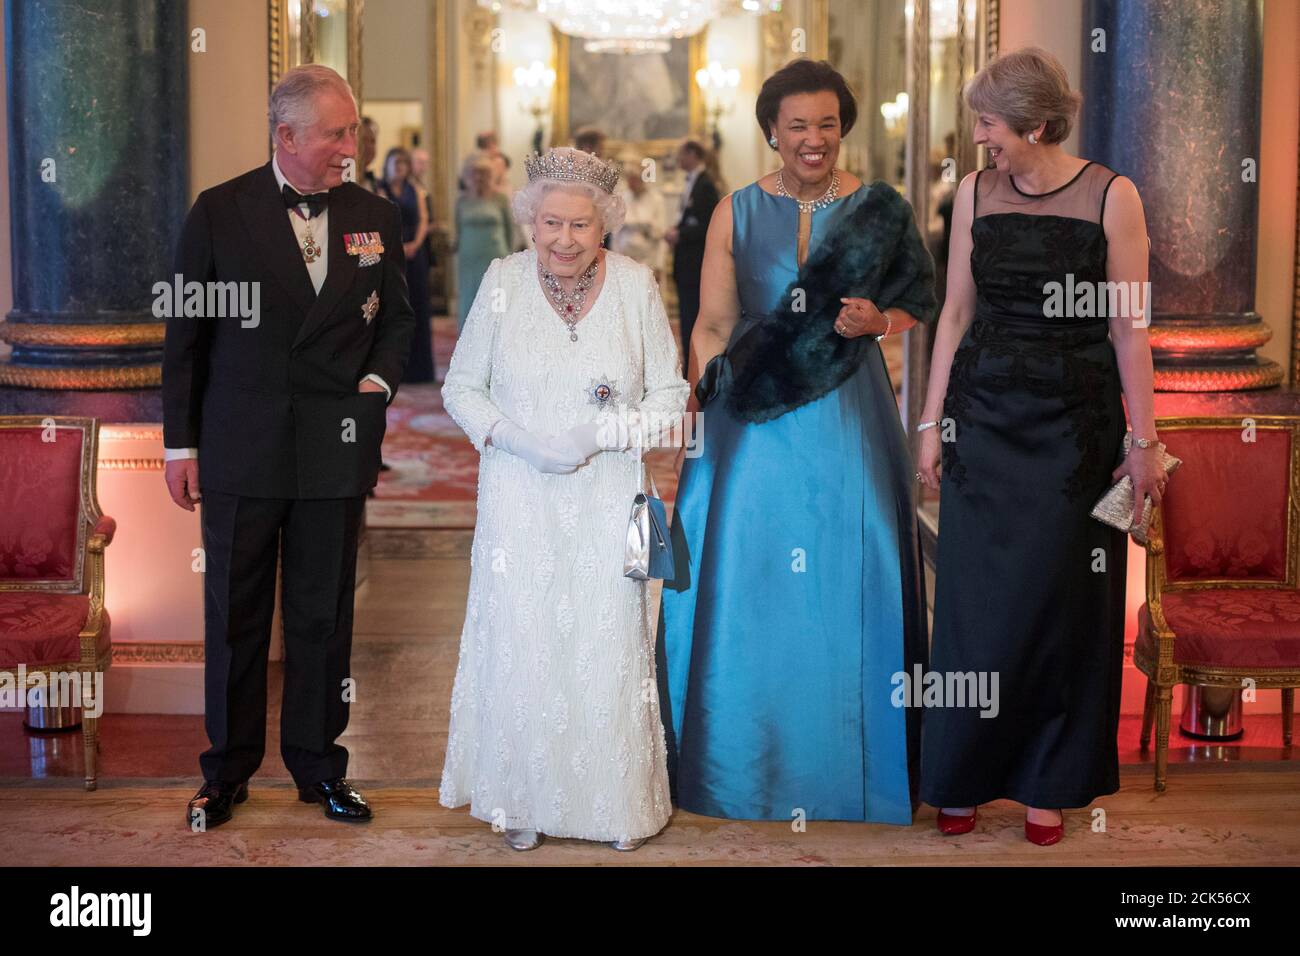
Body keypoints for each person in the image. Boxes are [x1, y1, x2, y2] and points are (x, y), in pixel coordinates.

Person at [657, 60, 937, 824]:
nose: (813, 140)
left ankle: (856, 768)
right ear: (771, 132)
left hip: (851, 409)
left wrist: (880, 323)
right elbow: (713, 324)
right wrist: (702, 403)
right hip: (750, 417)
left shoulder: (881, 209)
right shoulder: (735, 211)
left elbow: (919, 298)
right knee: (751, 578)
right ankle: (739, 762)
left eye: (826, 124)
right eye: (796, 126)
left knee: (853, 568)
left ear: (842, 127)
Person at [916, 47, 1158, 846]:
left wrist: (1144, 439)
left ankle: (1048, 784)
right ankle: (963, 773)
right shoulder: (974, 192)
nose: (981, 137)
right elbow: (953, 315)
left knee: (1061, 610)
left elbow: (1129, 327)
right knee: (975, 609)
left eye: (989, 123)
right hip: (983, 421)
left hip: (1074, 431)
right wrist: (930, 423)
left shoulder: (1113, 197)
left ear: (1037, 124)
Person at [162, 64, 414, 828]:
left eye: (354, 130)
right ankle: (225, 774)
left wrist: (374, 389)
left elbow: (398, 322)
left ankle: (319, 767)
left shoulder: (375, 213)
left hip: (335, 445)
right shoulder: (219, 211)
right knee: (236, 616)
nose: (351, 145)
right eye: (337, 133)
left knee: (322, 614)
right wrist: (180, 446)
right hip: (241, 446)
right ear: (288, 136)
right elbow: (186, 337)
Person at [438, 146, 689, 851]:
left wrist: (601, 432)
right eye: (550, 222)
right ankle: (521, 798)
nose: (564, 240)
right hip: (518, 497)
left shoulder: (637, 284)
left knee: (611, 643)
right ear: (529, 219)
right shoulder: (500, 280)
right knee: (523, 638)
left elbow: (672, 396)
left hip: (612, 499)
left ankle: (618, 807)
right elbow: (462, 387)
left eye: (581, 225)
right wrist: (520, 440)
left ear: (605, 221)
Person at [379, 147, 435, 383]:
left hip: (415, 254)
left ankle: (420, 369)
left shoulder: (416, 189)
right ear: (388, 164)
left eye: (403, 162)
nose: (400, 166)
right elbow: (381, 220)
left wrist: (415, 244)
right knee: (396, 308)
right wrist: (398, 246)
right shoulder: (381, 189)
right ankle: (396, 369)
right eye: (395, 162)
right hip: (392, 253)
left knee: (418, 307)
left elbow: (424, 219)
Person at [665, 139, 719, 359]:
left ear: (692, 154)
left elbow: (710, 225)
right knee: (687, 319)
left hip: (695, 266)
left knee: (693, 318)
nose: (678, 159)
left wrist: (681, 234)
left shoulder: (706, 185)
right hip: (686, 265)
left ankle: (695, 368)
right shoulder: (693, 182)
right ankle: (690, 364)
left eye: (681, 154)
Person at [454, 155, 513, 332]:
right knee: (469, 299)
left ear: (490, 176)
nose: (478, 178)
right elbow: (458, 230)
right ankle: (469, 342)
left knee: (496, 299)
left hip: (495, 256)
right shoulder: (461, 202)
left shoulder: (500, 199)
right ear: (467, 177)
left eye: (483, 174)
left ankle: (498, 338)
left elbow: (509, 230)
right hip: (469, 259)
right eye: (474, 174)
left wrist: (508, 258)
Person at [612, 160, 668, 279]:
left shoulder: (656, 200)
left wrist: (659, 265)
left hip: (649, 260)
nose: (631, 183)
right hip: (625, 259)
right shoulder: (622, 198)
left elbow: (662, 236)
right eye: (629, 179)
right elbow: (615, 233)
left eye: (634, 179)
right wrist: (615, 262)